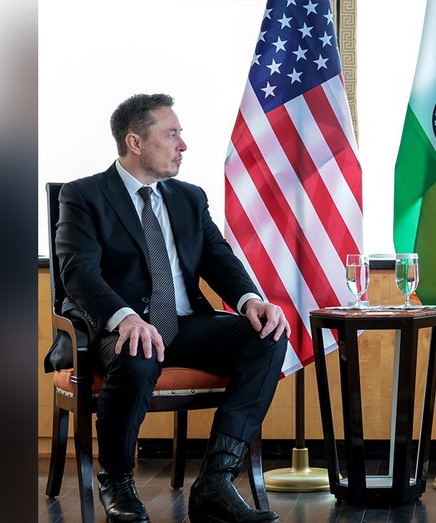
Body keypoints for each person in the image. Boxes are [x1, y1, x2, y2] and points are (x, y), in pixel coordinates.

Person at [49, 93, 289, 523]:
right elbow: (78, 272)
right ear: (135, 141)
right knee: (138, 353)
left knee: (268, 334)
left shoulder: (188, 197)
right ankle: (117, 480)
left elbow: (219, 258)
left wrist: (252, 300)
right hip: (120, 330)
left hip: (186, 325)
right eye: (172, 134)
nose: (183, 145)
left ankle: (216, 481)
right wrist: (127, 318)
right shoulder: (84, 195)